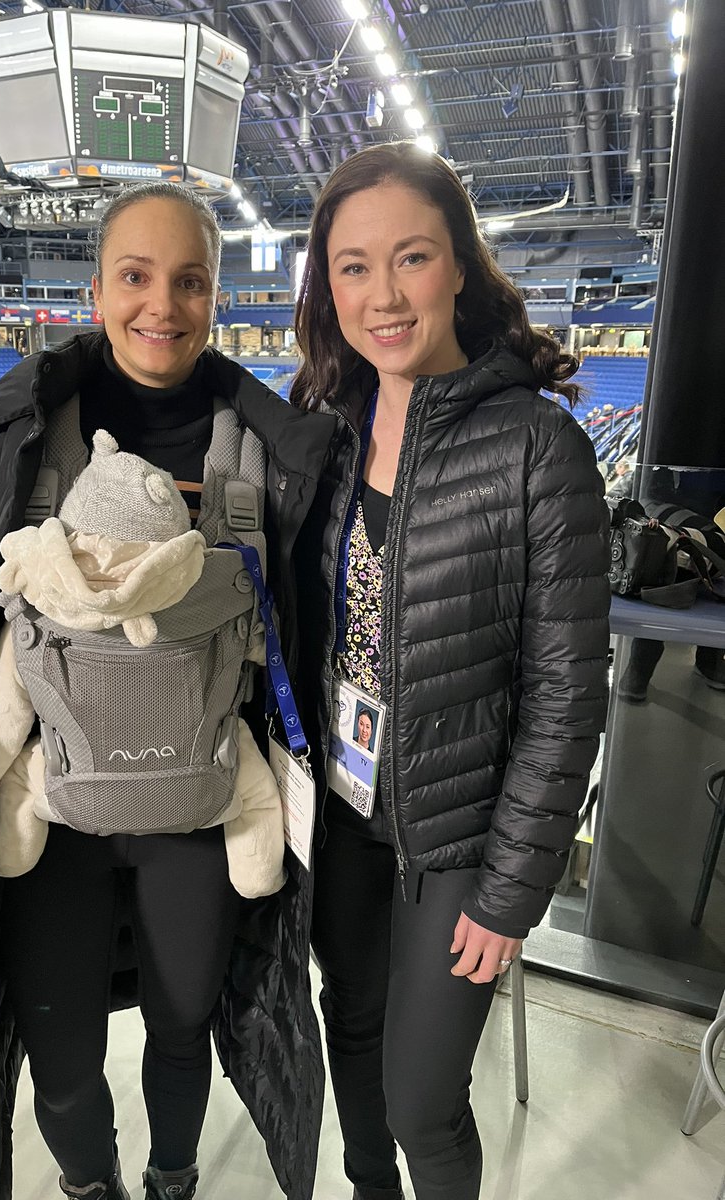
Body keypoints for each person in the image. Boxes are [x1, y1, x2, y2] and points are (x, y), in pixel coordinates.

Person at [0, 181, 335, 1200]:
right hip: (49, 813)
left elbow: (303, 644)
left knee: (182, 1022)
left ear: (216, 292)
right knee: (57, 1048)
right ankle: (90, 1186)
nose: (164, 306)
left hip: (195, 801)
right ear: (96, 290)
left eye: (190, 281)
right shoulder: (22, 432)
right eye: (137, 277)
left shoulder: (266, 450)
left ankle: (172, 1181)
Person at [290, 142, 610, 1200]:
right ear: (325, 284)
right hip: (341, 816)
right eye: (352, 266)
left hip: (462, 842)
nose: (382, 296)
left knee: (424, 1100)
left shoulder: (536, 448)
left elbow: (567, 698)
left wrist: (512, 892)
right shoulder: (324, 435)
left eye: (412, 258)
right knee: (356, 1043)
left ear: (460, 266)